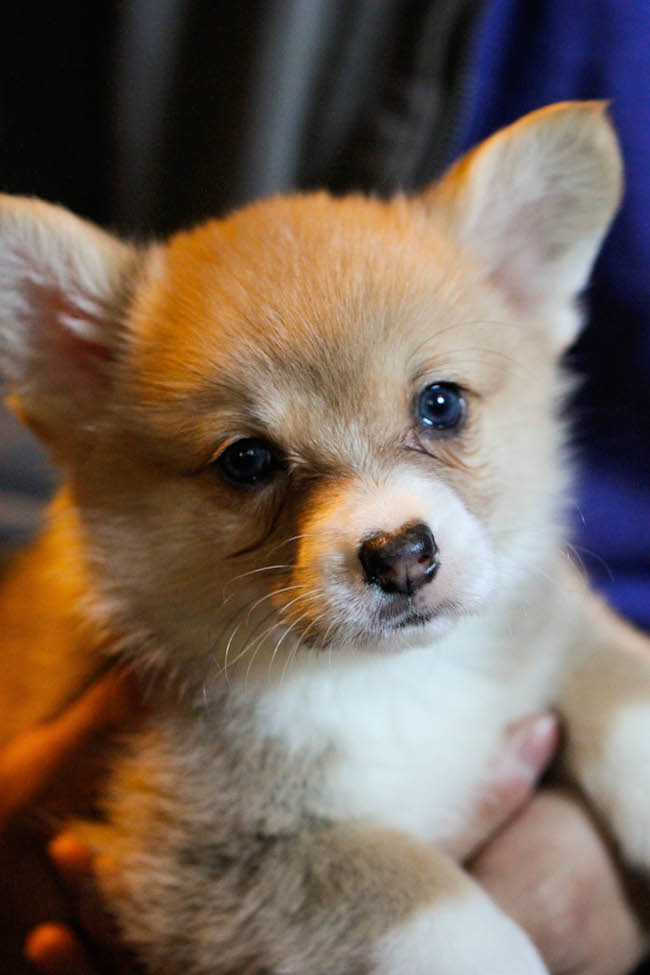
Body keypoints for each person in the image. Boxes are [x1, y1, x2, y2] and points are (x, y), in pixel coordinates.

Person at [1, 2, 648, 972]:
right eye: (250, 463)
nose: (394, 535)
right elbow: (214, 864)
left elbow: (585, 651)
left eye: (437, 409)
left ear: (521, 292)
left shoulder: (540, 607)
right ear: (76, 383)